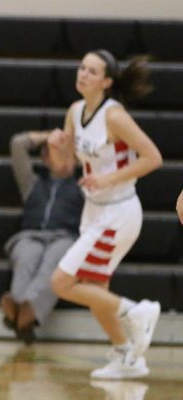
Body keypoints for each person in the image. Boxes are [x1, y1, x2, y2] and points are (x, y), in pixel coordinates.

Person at [48, 50, 163, 379]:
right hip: (94, 210)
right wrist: (58, 146)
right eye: (81, 67)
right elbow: (65, 167)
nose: (83, 74)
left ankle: (137, 311)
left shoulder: (114, 116)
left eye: (92, 71)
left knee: (62, 282)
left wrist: (107, 179)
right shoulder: (75, 111)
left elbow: (152, 157)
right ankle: (127, 355)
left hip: (120, 211)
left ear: (107, 81)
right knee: (95, 287)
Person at [0, 131, 85, 344]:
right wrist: (50, 137)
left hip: (65, 237)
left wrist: (74, 141)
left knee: (55, 260)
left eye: (70, 155)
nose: (66, 159)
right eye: (59, 153)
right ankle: (25, 315)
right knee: (27, 256)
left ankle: (20, 310)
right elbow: (17, 143)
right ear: (46, 158)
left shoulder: (85, 186)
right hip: (30, 235)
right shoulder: (31, 183)